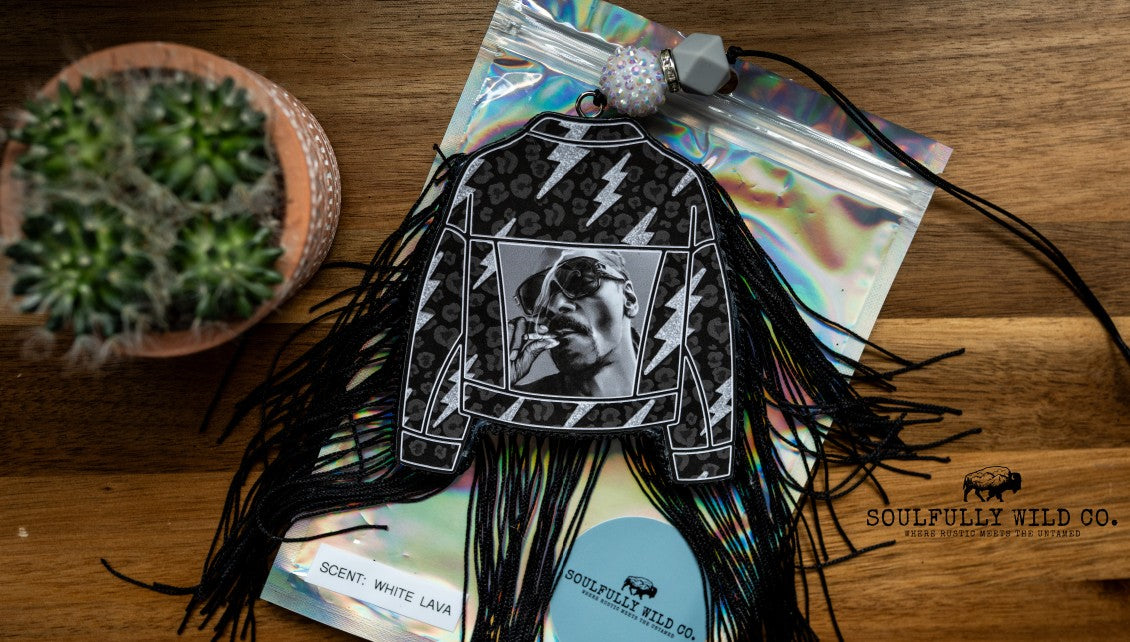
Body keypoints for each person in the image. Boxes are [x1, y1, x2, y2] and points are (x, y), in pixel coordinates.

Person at [509, 248, 640, 397]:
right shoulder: (520, 401)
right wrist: (496, 378)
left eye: (579, 280)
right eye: (537, 295)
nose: (554, 305)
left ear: (629, 299)